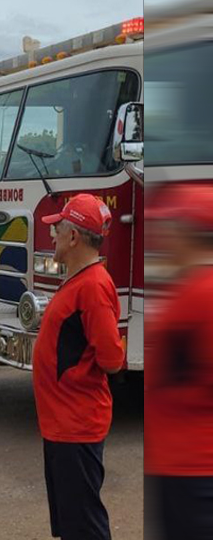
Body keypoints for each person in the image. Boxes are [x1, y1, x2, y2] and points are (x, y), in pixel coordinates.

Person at [33, 194, 124, 540]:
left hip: (76, 426)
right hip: (61, 425)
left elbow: (111, 358)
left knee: (85, 526)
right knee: (73, 524)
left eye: (57, 229)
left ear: (73, 238)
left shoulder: (94, 287)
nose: (52, 235)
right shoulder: (79, 281)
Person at [144, 184, 213, 540]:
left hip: (196, 473)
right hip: (176, 469)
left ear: (190, 233)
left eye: (170, 229)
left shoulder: (204, 292)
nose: (162, 238)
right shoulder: (188, 287)